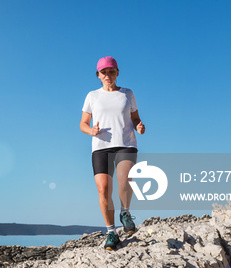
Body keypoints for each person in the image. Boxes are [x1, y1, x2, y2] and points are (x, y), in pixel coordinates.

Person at [80, 56, 145, 251]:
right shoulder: (92, 96)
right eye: (104, 72)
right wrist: (91, 130)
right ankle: (111, 232)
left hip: (126, 144)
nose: (108, 75)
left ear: (117, 73)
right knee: (103, 189)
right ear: (98, 75)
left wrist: (139, 126)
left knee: (125, 180)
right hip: (101, 147)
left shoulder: (127, 94)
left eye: (111, 71)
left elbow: (135, 118)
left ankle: (125, 213)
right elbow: (83, 124)